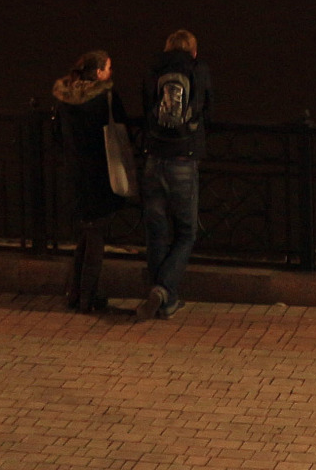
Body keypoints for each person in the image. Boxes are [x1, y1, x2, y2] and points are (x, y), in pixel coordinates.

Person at [134, 28, 211, 320]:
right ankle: (165, 291)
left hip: (154, 159)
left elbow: (145, 110)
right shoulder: (198, 69)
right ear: (193, 51)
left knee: (156, 232)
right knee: (186, 232)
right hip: (184, 158)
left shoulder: (153, 69)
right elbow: (209, 109)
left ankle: (164, 299)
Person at [50, 49, 127, 313]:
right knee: (96, 236)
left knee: (85, 233)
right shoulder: (105, 97)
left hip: (74, 175)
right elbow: (121, 126)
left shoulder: (64, 99)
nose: (110, 72)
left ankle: (75, 293)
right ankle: (87, 299)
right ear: (97, 73)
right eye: (107, 68)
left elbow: (57, 137)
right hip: (100, 173)